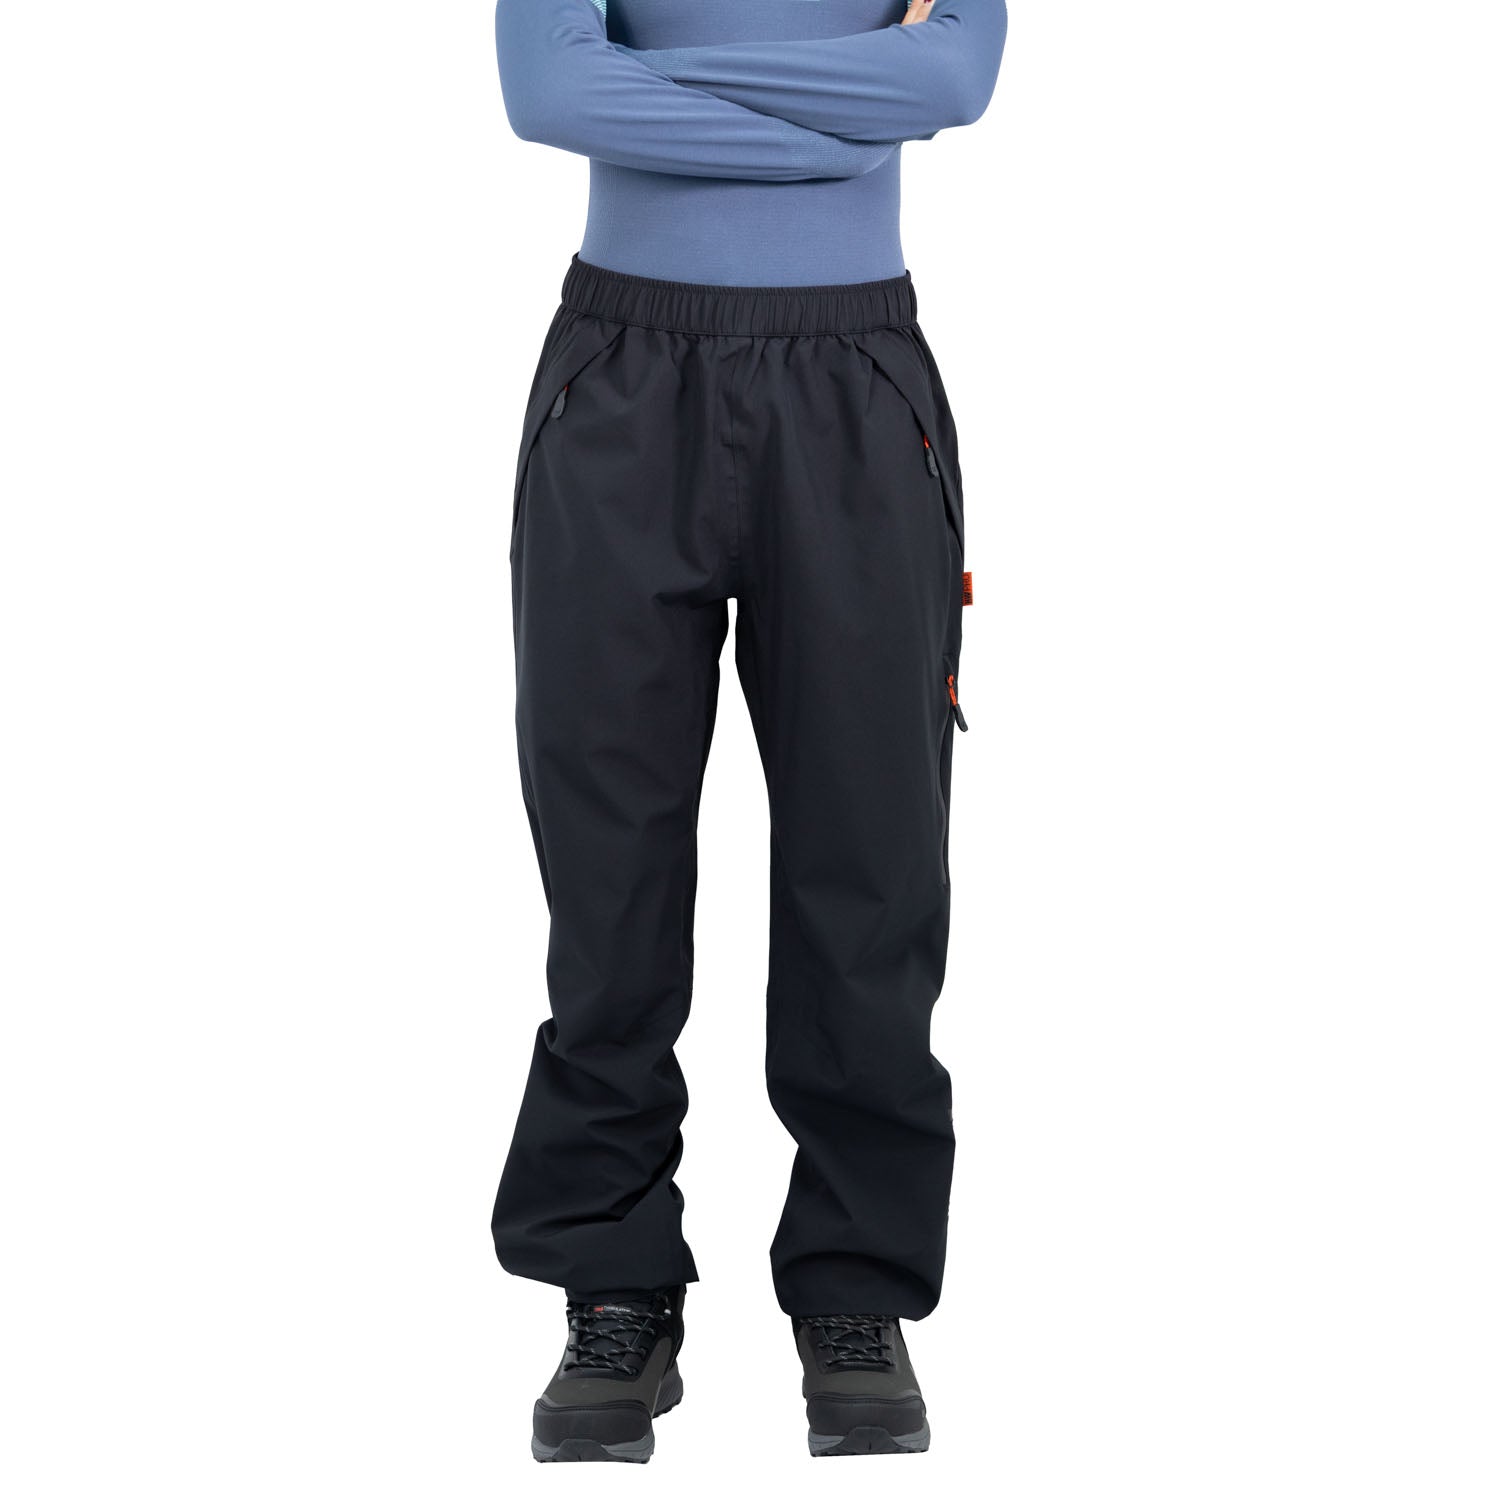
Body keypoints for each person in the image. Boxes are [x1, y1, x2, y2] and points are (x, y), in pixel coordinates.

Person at [490, 0, 1006, 1462]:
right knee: (607, 866)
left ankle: (855, 1290)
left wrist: (649, 80)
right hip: (621, 379)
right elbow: (545, 91)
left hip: (856, 386)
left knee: (874, 860)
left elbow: (953, 73)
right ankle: (612, 1282)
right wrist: (840, 118)